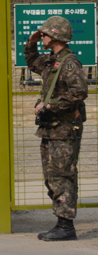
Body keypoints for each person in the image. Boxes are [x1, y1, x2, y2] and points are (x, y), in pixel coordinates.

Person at [25, 15, 88, 241]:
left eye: (44, 33)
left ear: (55, 36)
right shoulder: (52, 61)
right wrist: (31, 42)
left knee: (63, 176)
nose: (41, 36)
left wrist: (49, 105)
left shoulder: (69, 63)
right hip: (52, 128)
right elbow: (32, 62)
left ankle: (66, 226)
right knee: (52, 176)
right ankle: (61, 223)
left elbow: (79, 93)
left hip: (65, 127)